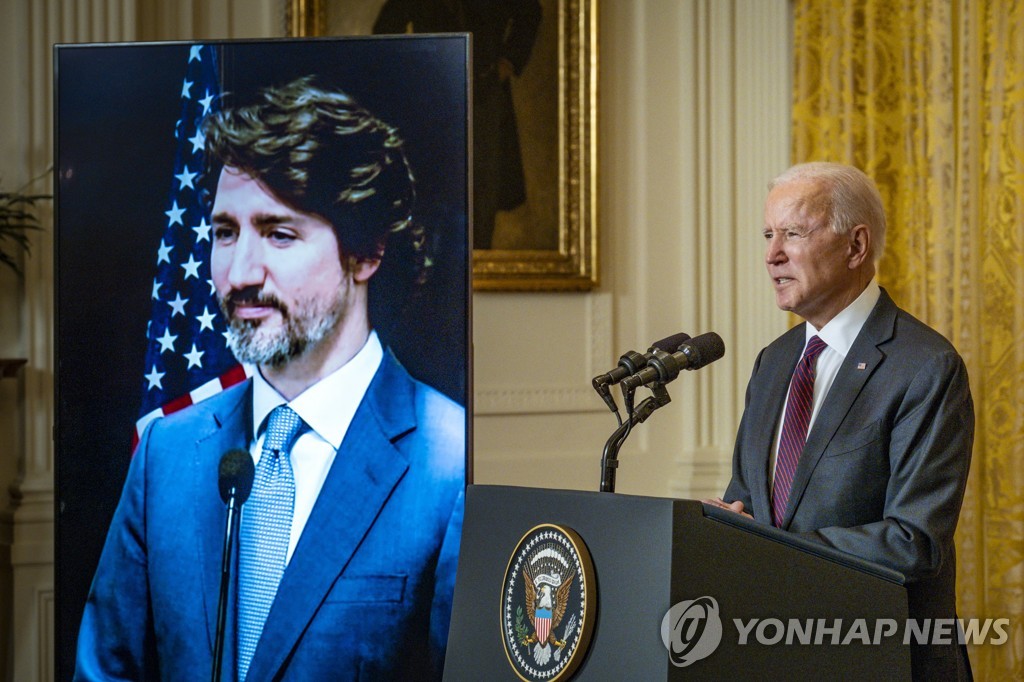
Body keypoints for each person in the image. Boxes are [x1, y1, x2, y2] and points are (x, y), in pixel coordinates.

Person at [75, 77, 466, 681]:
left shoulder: (451, 463)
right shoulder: (166, 454)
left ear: (365, 253)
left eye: (279, 234)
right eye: (225, 233)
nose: (238, 273)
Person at [707, 162, 973, 680]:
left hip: (883, 656)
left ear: (856, 246)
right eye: (768, 234)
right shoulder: (774, 361)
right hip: (778, 652)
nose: (771, 254)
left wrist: (767, 544)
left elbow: (913, 542)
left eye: (794, 233)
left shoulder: (924, 366)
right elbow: (748, 499)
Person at [374, 0, 542, 249]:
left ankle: (480, 264)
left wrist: (507, 63)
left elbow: (530, 12)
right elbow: (385, 29)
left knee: (482, 191)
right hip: (434, 96)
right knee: (431, 189)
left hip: (485, 94)